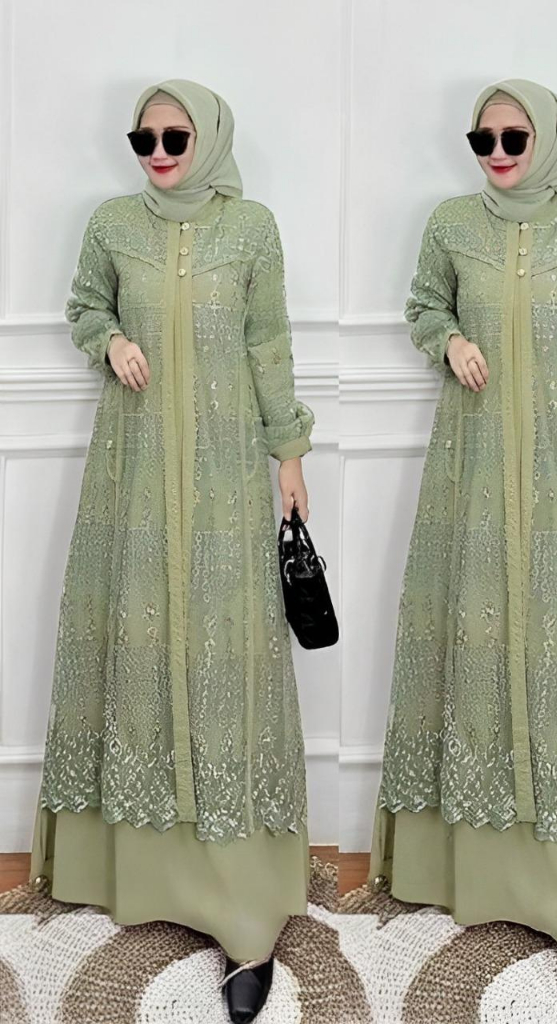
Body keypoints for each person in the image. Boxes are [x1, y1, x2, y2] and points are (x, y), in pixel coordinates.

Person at [28, 79, 314, 1024]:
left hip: (227, 471)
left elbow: (268, 346)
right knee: (143, 647)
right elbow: (82, 307)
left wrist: (289, 456)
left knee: (224, 658)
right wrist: (109, 339)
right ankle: (141, 875)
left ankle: (238, 893)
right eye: (143, 138)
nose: (157, 152)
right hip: (135, 470)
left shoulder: (252, 229)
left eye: (174, 137)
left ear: (209, 139)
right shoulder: (113, 224)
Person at [369, 78, 557, 1024]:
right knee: (483, 645)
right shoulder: (452, 223)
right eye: (483, 138)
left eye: (514, 136)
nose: (497, 151)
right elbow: (422, 307)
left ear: (549, 138)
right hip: (475, 467)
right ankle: (480, 875)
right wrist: (449, 339)